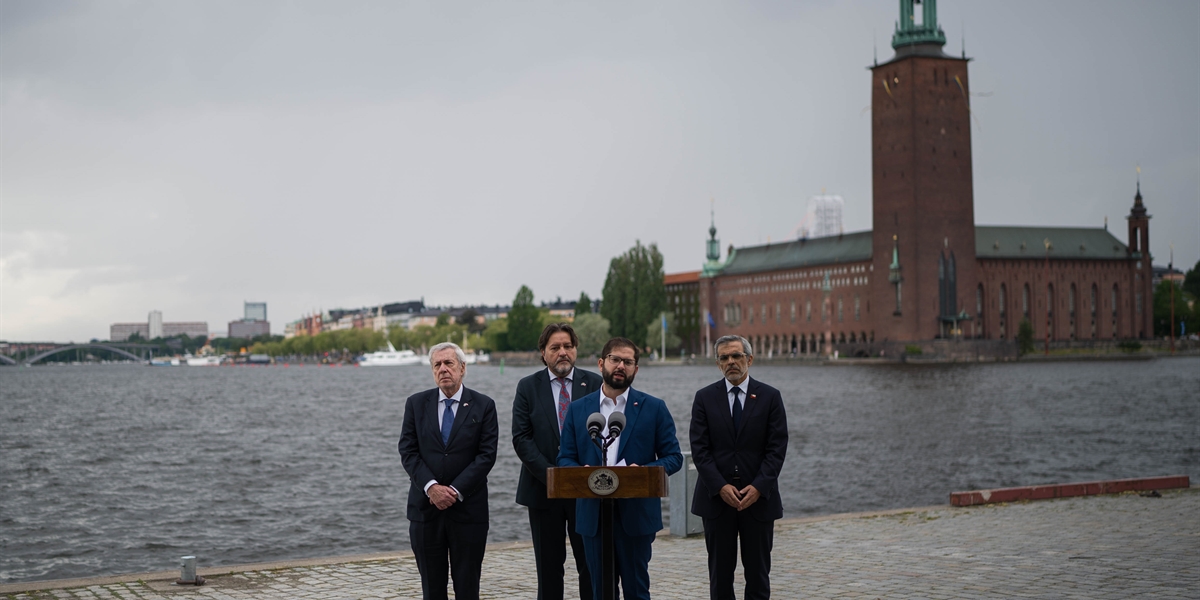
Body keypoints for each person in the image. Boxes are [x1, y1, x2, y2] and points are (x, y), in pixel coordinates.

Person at [557, 337, 683, 600]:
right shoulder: (579, 410)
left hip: (635, 516)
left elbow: (673, 457)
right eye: (615, 359)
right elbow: (565, 458)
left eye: (628, 362)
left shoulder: (654, 408)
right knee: (600, 592)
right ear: (602, 363)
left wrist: (645, 471)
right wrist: (585, 472)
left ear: (636, 369)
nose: (620, 366)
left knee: (637, 590)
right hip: (593, 516)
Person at [689, 335, 788, 600]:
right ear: (718, 363)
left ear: (749, 359)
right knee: (720, 576)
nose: (731, 362)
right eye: (724, 358)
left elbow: (776, 448)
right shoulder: (704, 398)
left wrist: (758, 486)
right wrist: (720, 486)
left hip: (758, 500)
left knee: (757, 574)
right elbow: (700, 449)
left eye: (736, 356)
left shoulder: (770, 397)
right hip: (717, 500)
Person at [398, 342, 498, 600]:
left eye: (449, 363)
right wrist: (431, 487)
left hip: (468, 512)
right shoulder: (416, 404)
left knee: (467, 588)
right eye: (437, 365)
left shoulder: (484, 406)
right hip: (425, 511)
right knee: (432, 588)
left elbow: (486, 456)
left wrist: (453, 491)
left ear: (462, 368)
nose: (443, 369)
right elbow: (408, 452)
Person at [512, 323, 603, 600]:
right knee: (549, 569)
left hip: (586, 490)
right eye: (555, 348)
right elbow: (521, 438)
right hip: (542, 490)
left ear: (575, 350)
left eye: (568, 346)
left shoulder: (596, 384)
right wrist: (552, 476)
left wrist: (577, 476)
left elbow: (606, 435)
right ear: (543, 353)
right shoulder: (528, 387)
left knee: (591, 566)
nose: (562, 352)